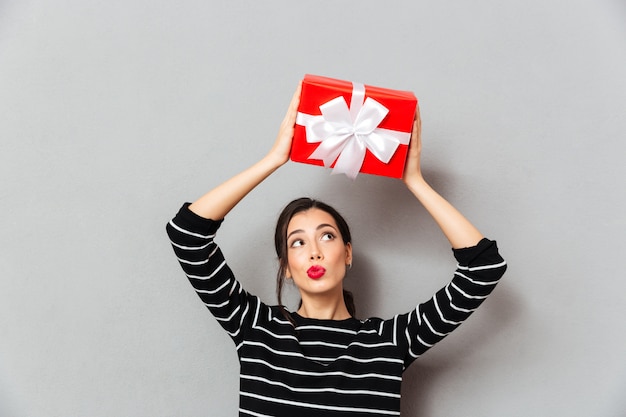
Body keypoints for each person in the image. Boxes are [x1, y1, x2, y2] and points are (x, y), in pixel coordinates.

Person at [166, 83, 507, 416]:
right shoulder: (256, 329)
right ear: (286, 266)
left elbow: (483, 270)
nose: (313, 251)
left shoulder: (388, 343)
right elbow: (187, 234)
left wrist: (414, 181)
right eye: (297, 242)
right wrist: (274, 159)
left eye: (326, 236)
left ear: (347, 253)